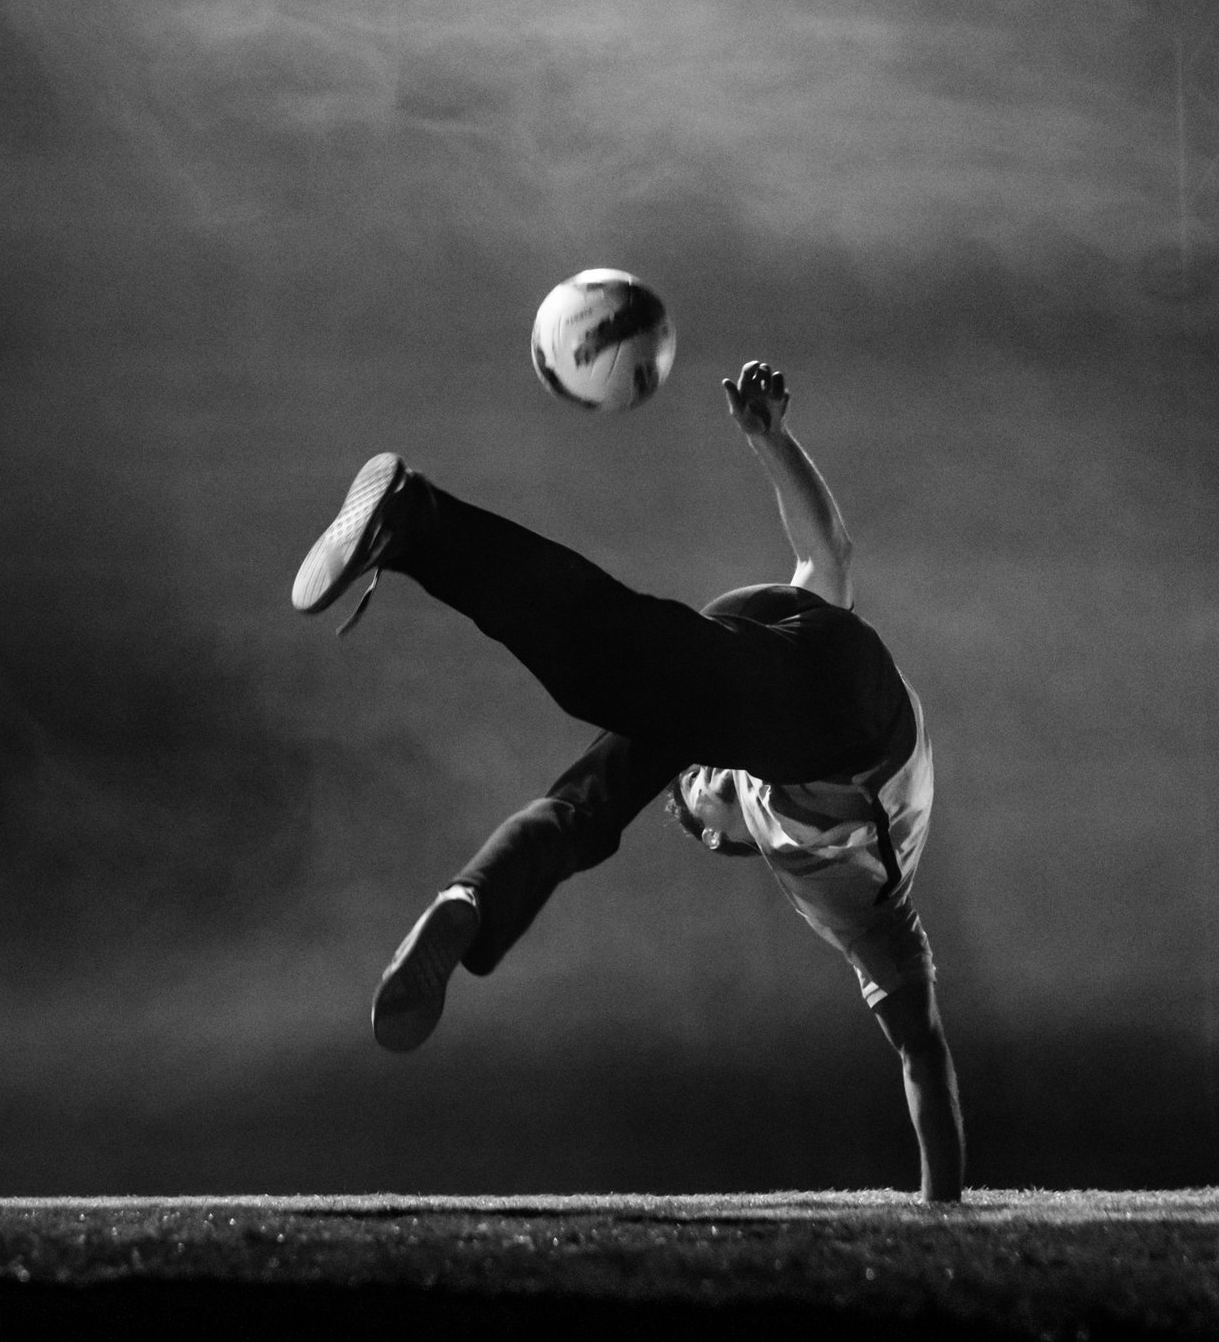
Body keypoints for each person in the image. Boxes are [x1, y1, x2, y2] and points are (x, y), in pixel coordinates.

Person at [291, 361, 963, 1203]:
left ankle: (418, 525)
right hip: (806, 670)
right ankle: (475, 896)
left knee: (615, 690)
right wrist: (772, 438)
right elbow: (825, 550)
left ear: (720, 834)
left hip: (825, 695)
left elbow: (921, 1051)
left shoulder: (823, 869)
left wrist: (942, 1207)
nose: (700, 775)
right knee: (597, 770)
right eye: (695, 780)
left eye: (695, 788)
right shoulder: (823, 854)